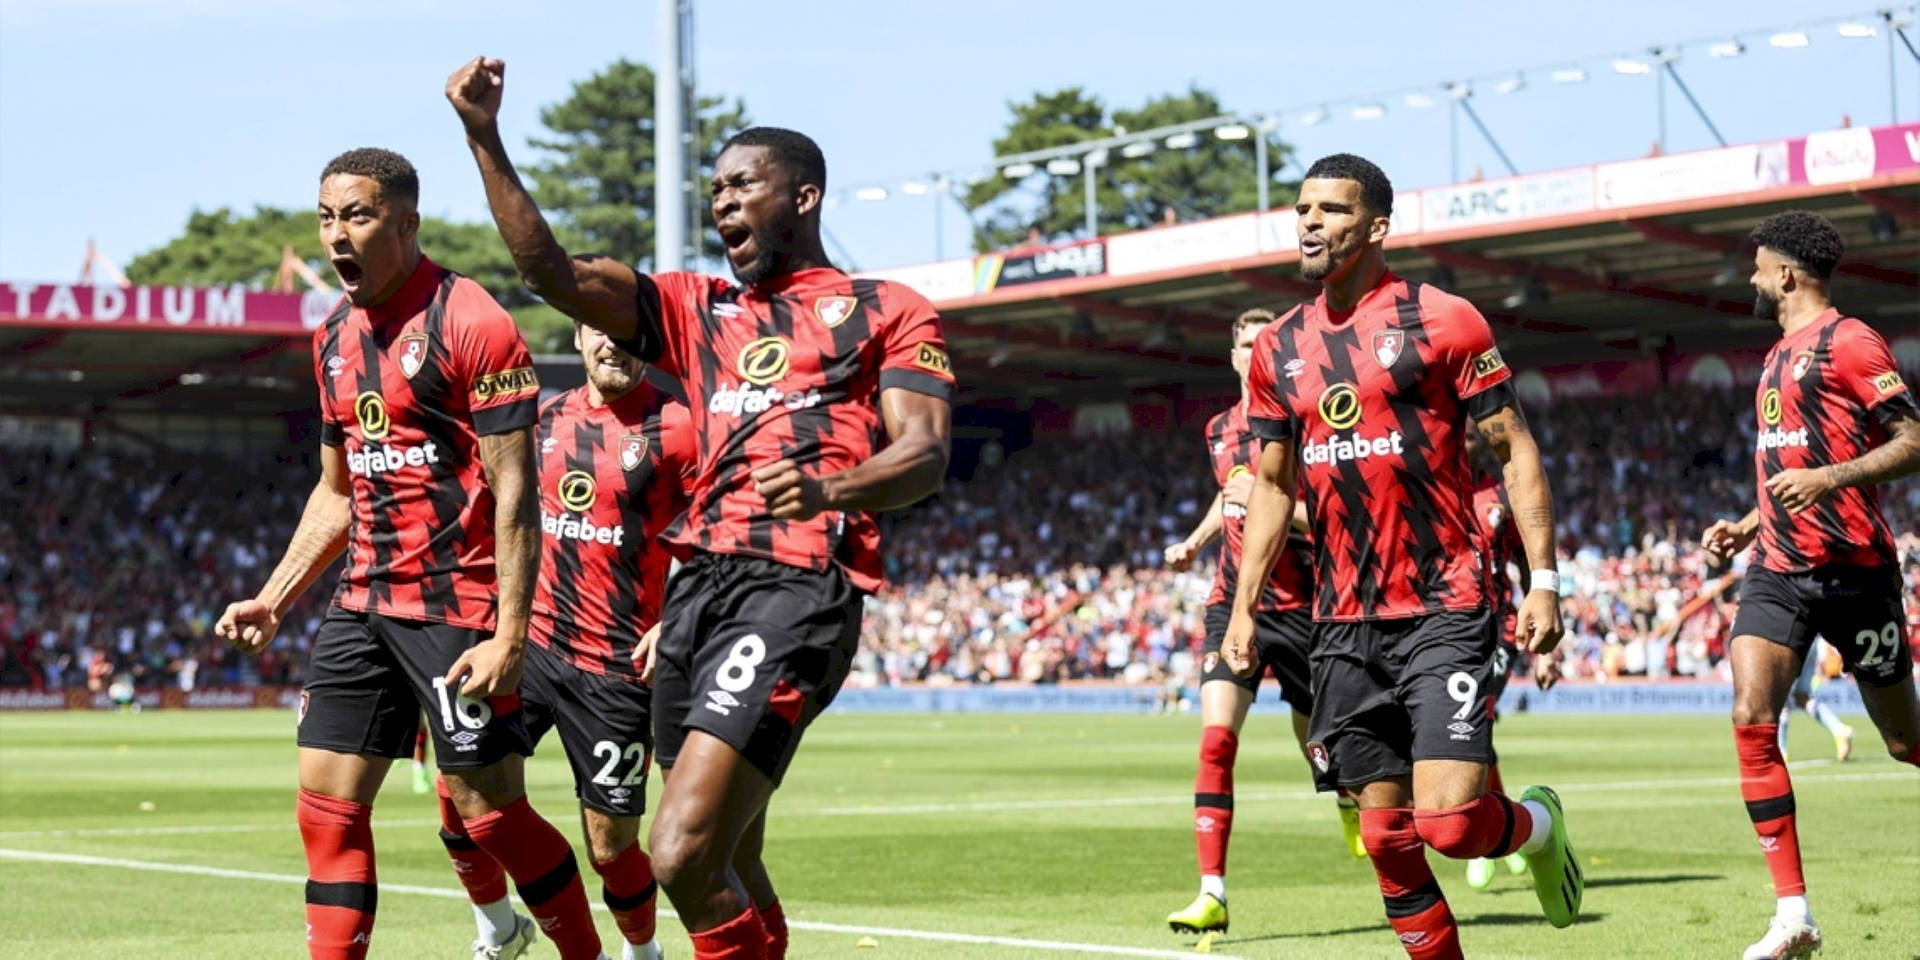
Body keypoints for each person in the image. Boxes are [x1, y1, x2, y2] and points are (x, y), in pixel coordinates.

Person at [448, 57, 954, 960]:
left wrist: (833, 487)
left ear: (803, 196)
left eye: (742, 187)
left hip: (794, 586)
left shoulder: (886, 309)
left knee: (677, 853)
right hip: (694, 594)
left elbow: (923, 453)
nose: (722, 205)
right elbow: (547, 270)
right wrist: (484, 135)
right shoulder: (694, 306)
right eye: (714, 190)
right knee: (732, 856)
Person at [215, 148, 605, 960]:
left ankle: (585, 954)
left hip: (456, 606)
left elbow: (516, 493)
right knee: (324, 804)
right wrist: (275, 598)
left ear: (406, 222)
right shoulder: (330, 338)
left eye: (356, 216)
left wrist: (510, 634)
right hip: (361, 600)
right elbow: (336, 491)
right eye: (326, 218)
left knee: (485, 808)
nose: (336, 236)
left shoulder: (472, 321)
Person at [1226, 153, 1582, 959]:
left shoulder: (1444, 320)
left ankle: (1536, 825)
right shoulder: (1277, 348)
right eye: (1303, 208)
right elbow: (1274, 488)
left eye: (1332, 210)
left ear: (1378, 226)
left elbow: (1514, 452)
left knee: (1451, 823)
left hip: (1444, 603)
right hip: (1342, 620)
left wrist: (1545, 581)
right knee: (1386, 838)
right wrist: (1246, 608)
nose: (1310, 222)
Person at [1698, 209, 1920, 960]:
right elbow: (1786, 473)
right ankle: (1793, 912)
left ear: (1787, 273)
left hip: (1856, 572)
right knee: (1750, 713)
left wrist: (1830, 477)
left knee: (1903, 740)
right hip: (1778, 571)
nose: (1754, 278)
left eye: (1760, 266)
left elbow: (1913, 438)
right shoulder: (1775, 358)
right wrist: (1745, 525)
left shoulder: (1850, 341)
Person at [440, 323, 694, 960]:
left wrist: (680, 619)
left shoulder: (680, 428)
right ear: (579, 338)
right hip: (529, 646)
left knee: (610, 847)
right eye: (599, 332)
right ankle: (498, 929)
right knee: (460, 782)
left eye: (630, 334)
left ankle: (642, 953)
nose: (614, 344)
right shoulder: (544, 418)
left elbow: (720, 532)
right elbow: (495, 513)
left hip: (616, 667)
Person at [1164, 307, 1362, 939]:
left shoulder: (1302, 427)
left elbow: (1330, 519)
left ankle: (1345, 796)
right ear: (1231, 356)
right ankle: (1211, 893)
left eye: (1262, 344)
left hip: (1305, 608)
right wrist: (1197, 542)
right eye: (1244, 344)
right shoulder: (1220, 428)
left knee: (1321, 752)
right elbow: (1233, 495)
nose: (1253, 353)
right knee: (1217, 741)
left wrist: (1273, 508)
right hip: (1235, 606)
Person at [1461, 427, 1560, 890]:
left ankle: (1487, 838)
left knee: (1476, 719)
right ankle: (1505, 829)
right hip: (1449, 627)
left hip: (1497, 624)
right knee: (1467, 727)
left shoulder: (1499, 493)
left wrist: (1545, 650)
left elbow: (1528, 566)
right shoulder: (1428, 492)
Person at [1775, 637, 1853, 763]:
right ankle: (1839, 730)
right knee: (1802, 696)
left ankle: (1780, 751)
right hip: (1811, 642)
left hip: (1790, 641)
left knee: (1780, 697)